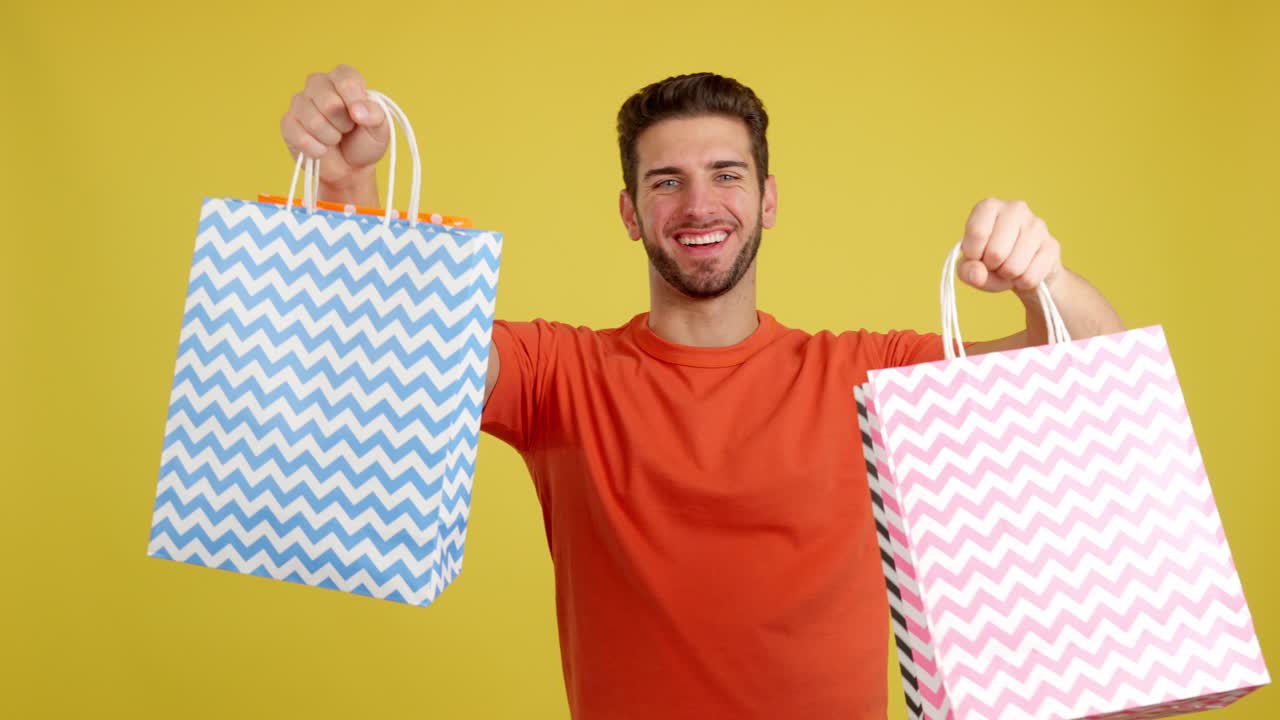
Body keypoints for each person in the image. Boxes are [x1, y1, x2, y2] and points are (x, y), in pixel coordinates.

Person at [280, 64, 1125, 719]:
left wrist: (1042, 278)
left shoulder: (866, 376)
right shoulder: (558, 377)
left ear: (767, 200)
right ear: (628, 210)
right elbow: (377, 359)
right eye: (665, 181)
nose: (698, 204)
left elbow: (1096, 373)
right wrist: (345, 186)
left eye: (726, 174)